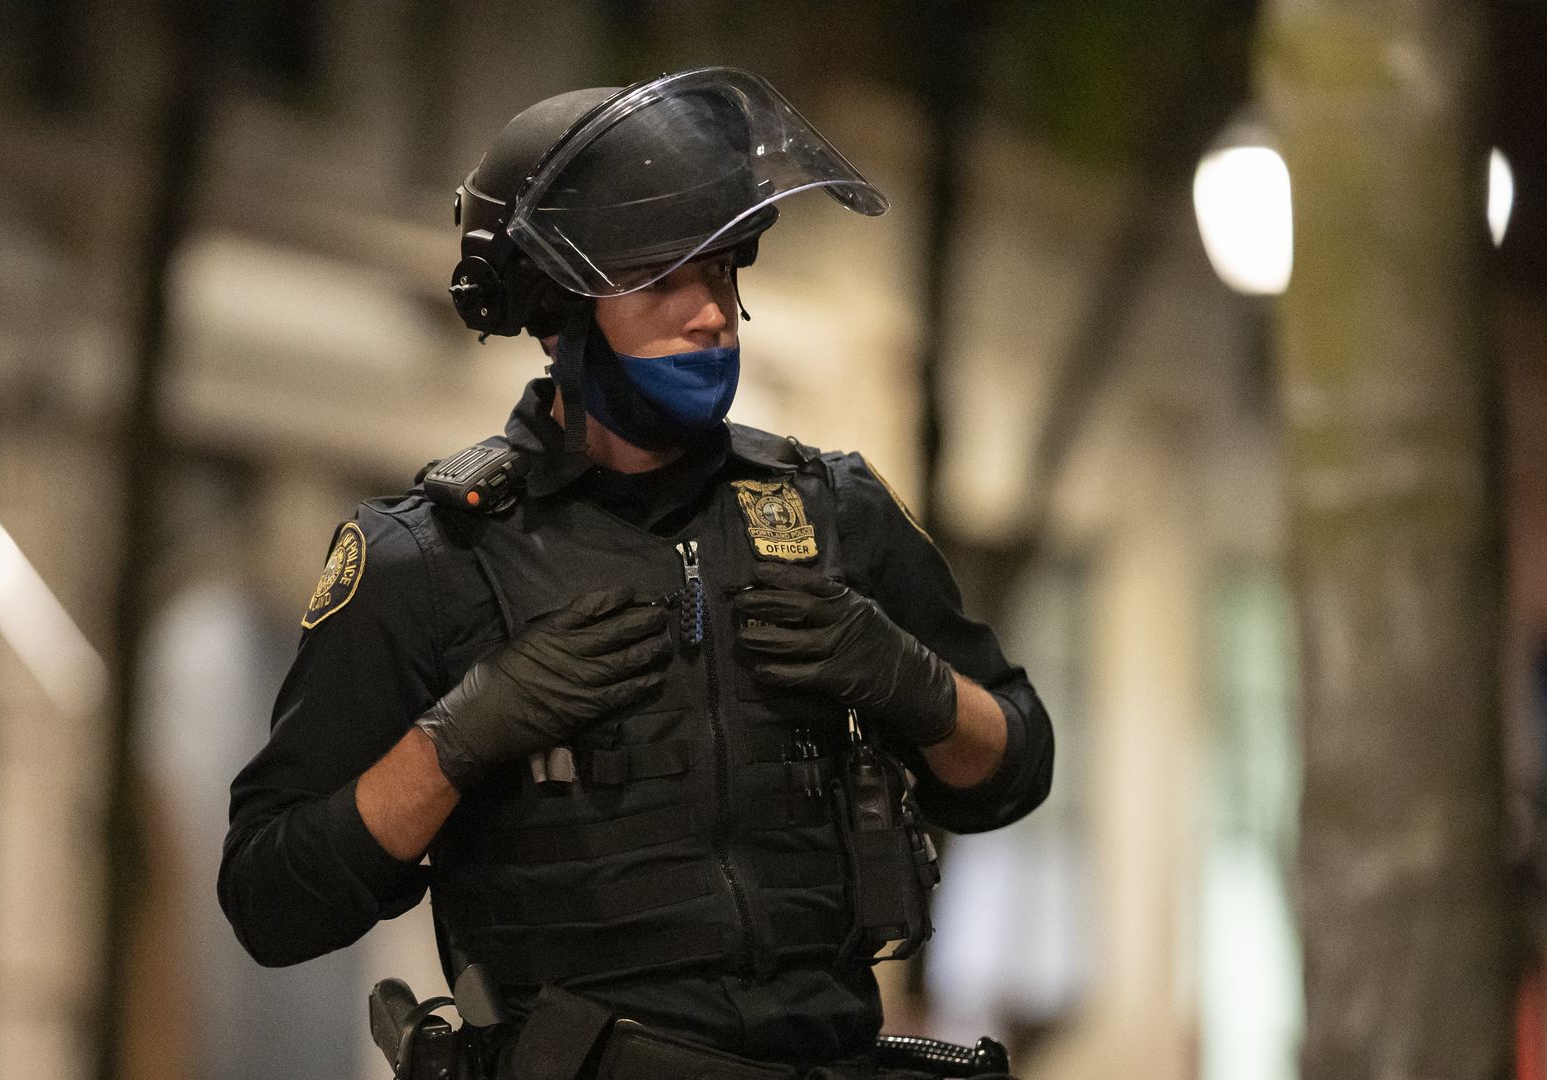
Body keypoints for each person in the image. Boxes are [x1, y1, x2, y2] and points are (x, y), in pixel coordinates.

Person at [219, 67, 1053, 1080]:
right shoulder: (431, 559)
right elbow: (272, 900)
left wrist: (910, 682)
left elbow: (1013, 769)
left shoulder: (835, 512)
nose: (709, 315)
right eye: (662, 279)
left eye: (723, 271)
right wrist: (459, 740)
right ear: (554, 309)